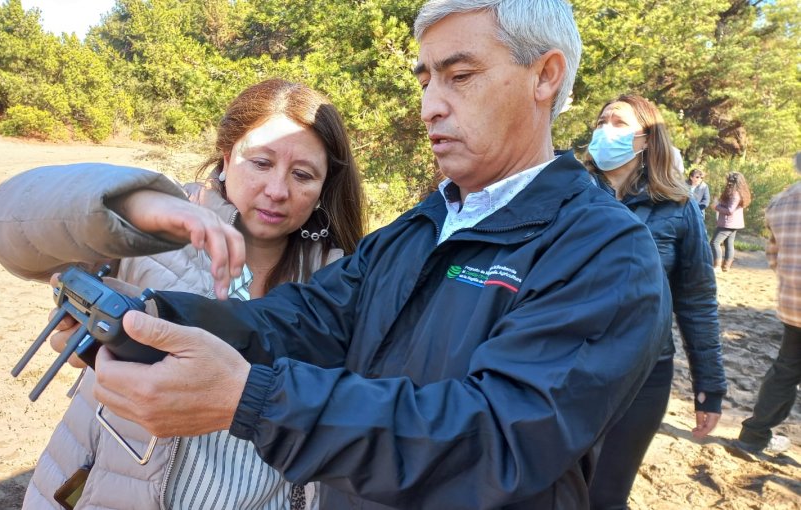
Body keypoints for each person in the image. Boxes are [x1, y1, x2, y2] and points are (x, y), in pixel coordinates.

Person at [34, 1, 673, 508]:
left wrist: (252, 401)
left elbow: (498, 440)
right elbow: (299, 321)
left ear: (546, 75)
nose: (431, 106)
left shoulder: (605, 253)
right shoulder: (418, 230)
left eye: (461, 75)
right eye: (426, 79)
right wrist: (153, 318)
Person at [0, 78, 366, 509]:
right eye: (261, 162)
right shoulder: (157, 227)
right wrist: (138, 207)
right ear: (227, 155)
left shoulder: (341, 277)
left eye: (302, 174)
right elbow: (4, 220)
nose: (277, 190)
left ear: (324, 186)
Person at [583, 94, 726, 509]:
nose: (605, 128)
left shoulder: (679, 209)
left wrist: (710, 384)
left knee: (606, 495)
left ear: (646, 139)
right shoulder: (570, 196)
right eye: (601, 119)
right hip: (570, 363)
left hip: (643, 374)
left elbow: (697, 299)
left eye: (619, 122)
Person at [736, 152, 801, 456]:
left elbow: (773, 257)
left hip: (793, 305)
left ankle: (754, 434)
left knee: (785, 371)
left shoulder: (780, 202)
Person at [710, 171, 752, 272]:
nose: (727, 182)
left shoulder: (735, 194)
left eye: (728, 180)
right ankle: (726, 267)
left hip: (728, 223)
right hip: (733, 223)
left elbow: (729, 210)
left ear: (732, 181)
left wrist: (716, 206)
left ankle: (717, 266)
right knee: (728, 244)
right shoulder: (737, 192)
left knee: (714, 243)